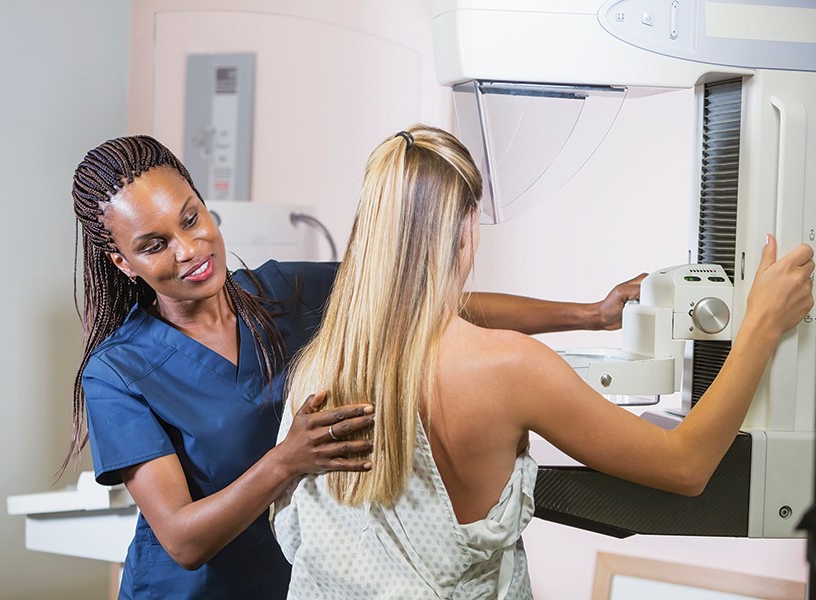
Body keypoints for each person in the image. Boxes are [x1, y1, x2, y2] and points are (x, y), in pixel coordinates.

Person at [65, 134, 645, 599]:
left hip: (298, 580)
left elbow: (429, 303)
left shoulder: (282, 292)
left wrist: (592, 313)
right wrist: (286, 461)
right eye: (154, 244)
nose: (188, 249)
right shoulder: (118, 370)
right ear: (122, 261)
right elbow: (182, 540)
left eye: (191, 220)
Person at [272, 125, 815, 599]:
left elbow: (436, 317)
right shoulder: (509, 369)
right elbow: (685, 467)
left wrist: (592, 314)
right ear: (466, 229)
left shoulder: (318, 370)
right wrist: (762, 324)